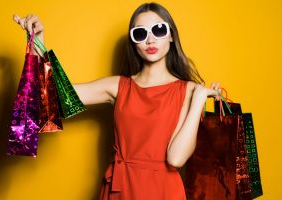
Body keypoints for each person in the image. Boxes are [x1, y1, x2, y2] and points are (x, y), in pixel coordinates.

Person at [13, 2, 221, 200]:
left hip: (163, 191)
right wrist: (38, 43)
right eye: (140, 33)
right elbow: (57, 95)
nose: (150, 40)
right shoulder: (117, 87)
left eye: (158, 30)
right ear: (133, 42)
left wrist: (199, 100)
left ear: (171, 36)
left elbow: (176, 159)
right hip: (118, 190)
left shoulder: (189, 91)